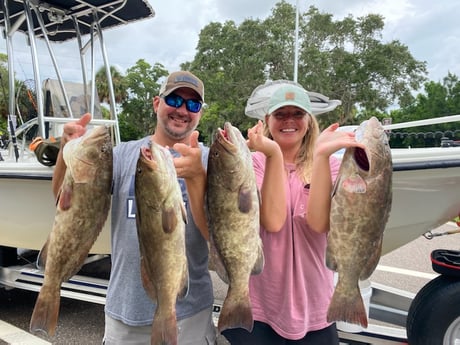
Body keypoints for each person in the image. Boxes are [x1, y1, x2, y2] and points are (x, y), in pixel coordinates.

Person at [52, 71, 217, 344]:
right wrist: (65, 152)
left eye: (193, 104)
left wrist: (198, 177)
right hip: (124, 314)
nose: (182, 110)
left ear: (199, 113)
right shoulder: (122, 155)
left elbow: (218, 239)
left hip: (190, 314)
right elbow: (62, 197)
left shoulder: (211, 161)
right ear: (156, 103)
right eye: (174, 99)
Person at [222, 83, 365, 345]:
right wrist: (272, 152)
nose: (289, 121)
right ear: (267, 121)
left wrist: (321, 157)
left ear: (309, 121)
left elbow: (320, 223)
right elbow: (272, 222)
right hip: (258, 307)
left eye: (297, 114)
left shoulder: (333, 166)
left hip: (316, 308)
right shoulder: (251, 164)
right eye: (280, 114)